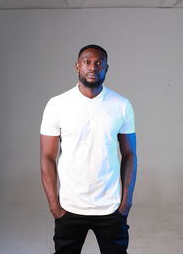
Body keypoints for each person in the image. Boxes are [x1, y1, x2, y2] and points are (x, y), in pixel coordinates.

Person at [40, 45, 137, 254]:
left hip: (111, 207)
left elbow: (129, 154)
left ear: (107, 68)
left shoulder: (121, 104)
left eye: (99, 63)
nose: (93, 67)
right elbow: (47, 157)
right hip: (70, 206)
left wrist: (125, 203)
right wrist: (54, 206)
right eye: (87, 62)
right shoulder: (57, 104)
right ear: (77, 66)